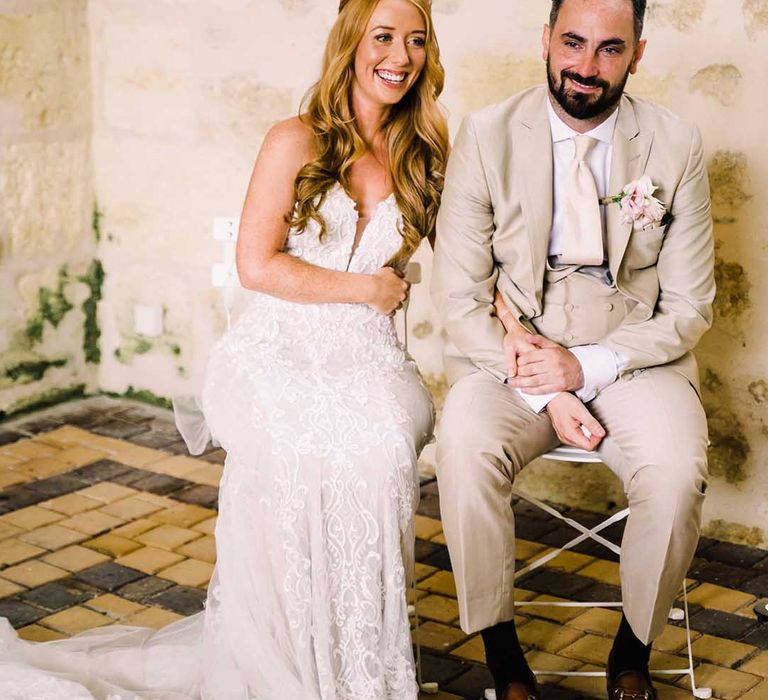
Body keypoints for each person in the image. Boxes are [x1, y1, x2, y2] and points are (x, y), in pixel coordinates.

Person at [0, 1, 448, 698]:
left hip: (363, 350)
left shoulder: (424, 150)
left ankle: (359, 660)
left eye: (416, 40)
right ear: (351, 44)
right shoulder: (294, 139)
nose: (400, 54)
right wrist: (366, 287)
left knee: (383, 445)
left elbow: (475, 254)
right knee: (298, 445)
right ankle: (287, 656)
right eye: (383, 36)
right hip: (276, 341)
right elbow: (257, 266)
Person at [431, 1, 714, 699]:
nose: (586, 67)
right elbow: (458, 300)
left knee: (676, 471)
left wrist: (586, 367)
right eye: (573, 43)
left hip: (634, 355)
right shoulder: (487, 134)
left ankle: (631, 650)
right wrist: (549, 388)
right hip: (514, 355)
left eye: (610, 49)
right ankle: (504, 658)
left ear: (638, 54)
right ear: (547, 41)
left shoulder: (676, 145)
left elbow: (689, 307)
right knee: (463, 449)